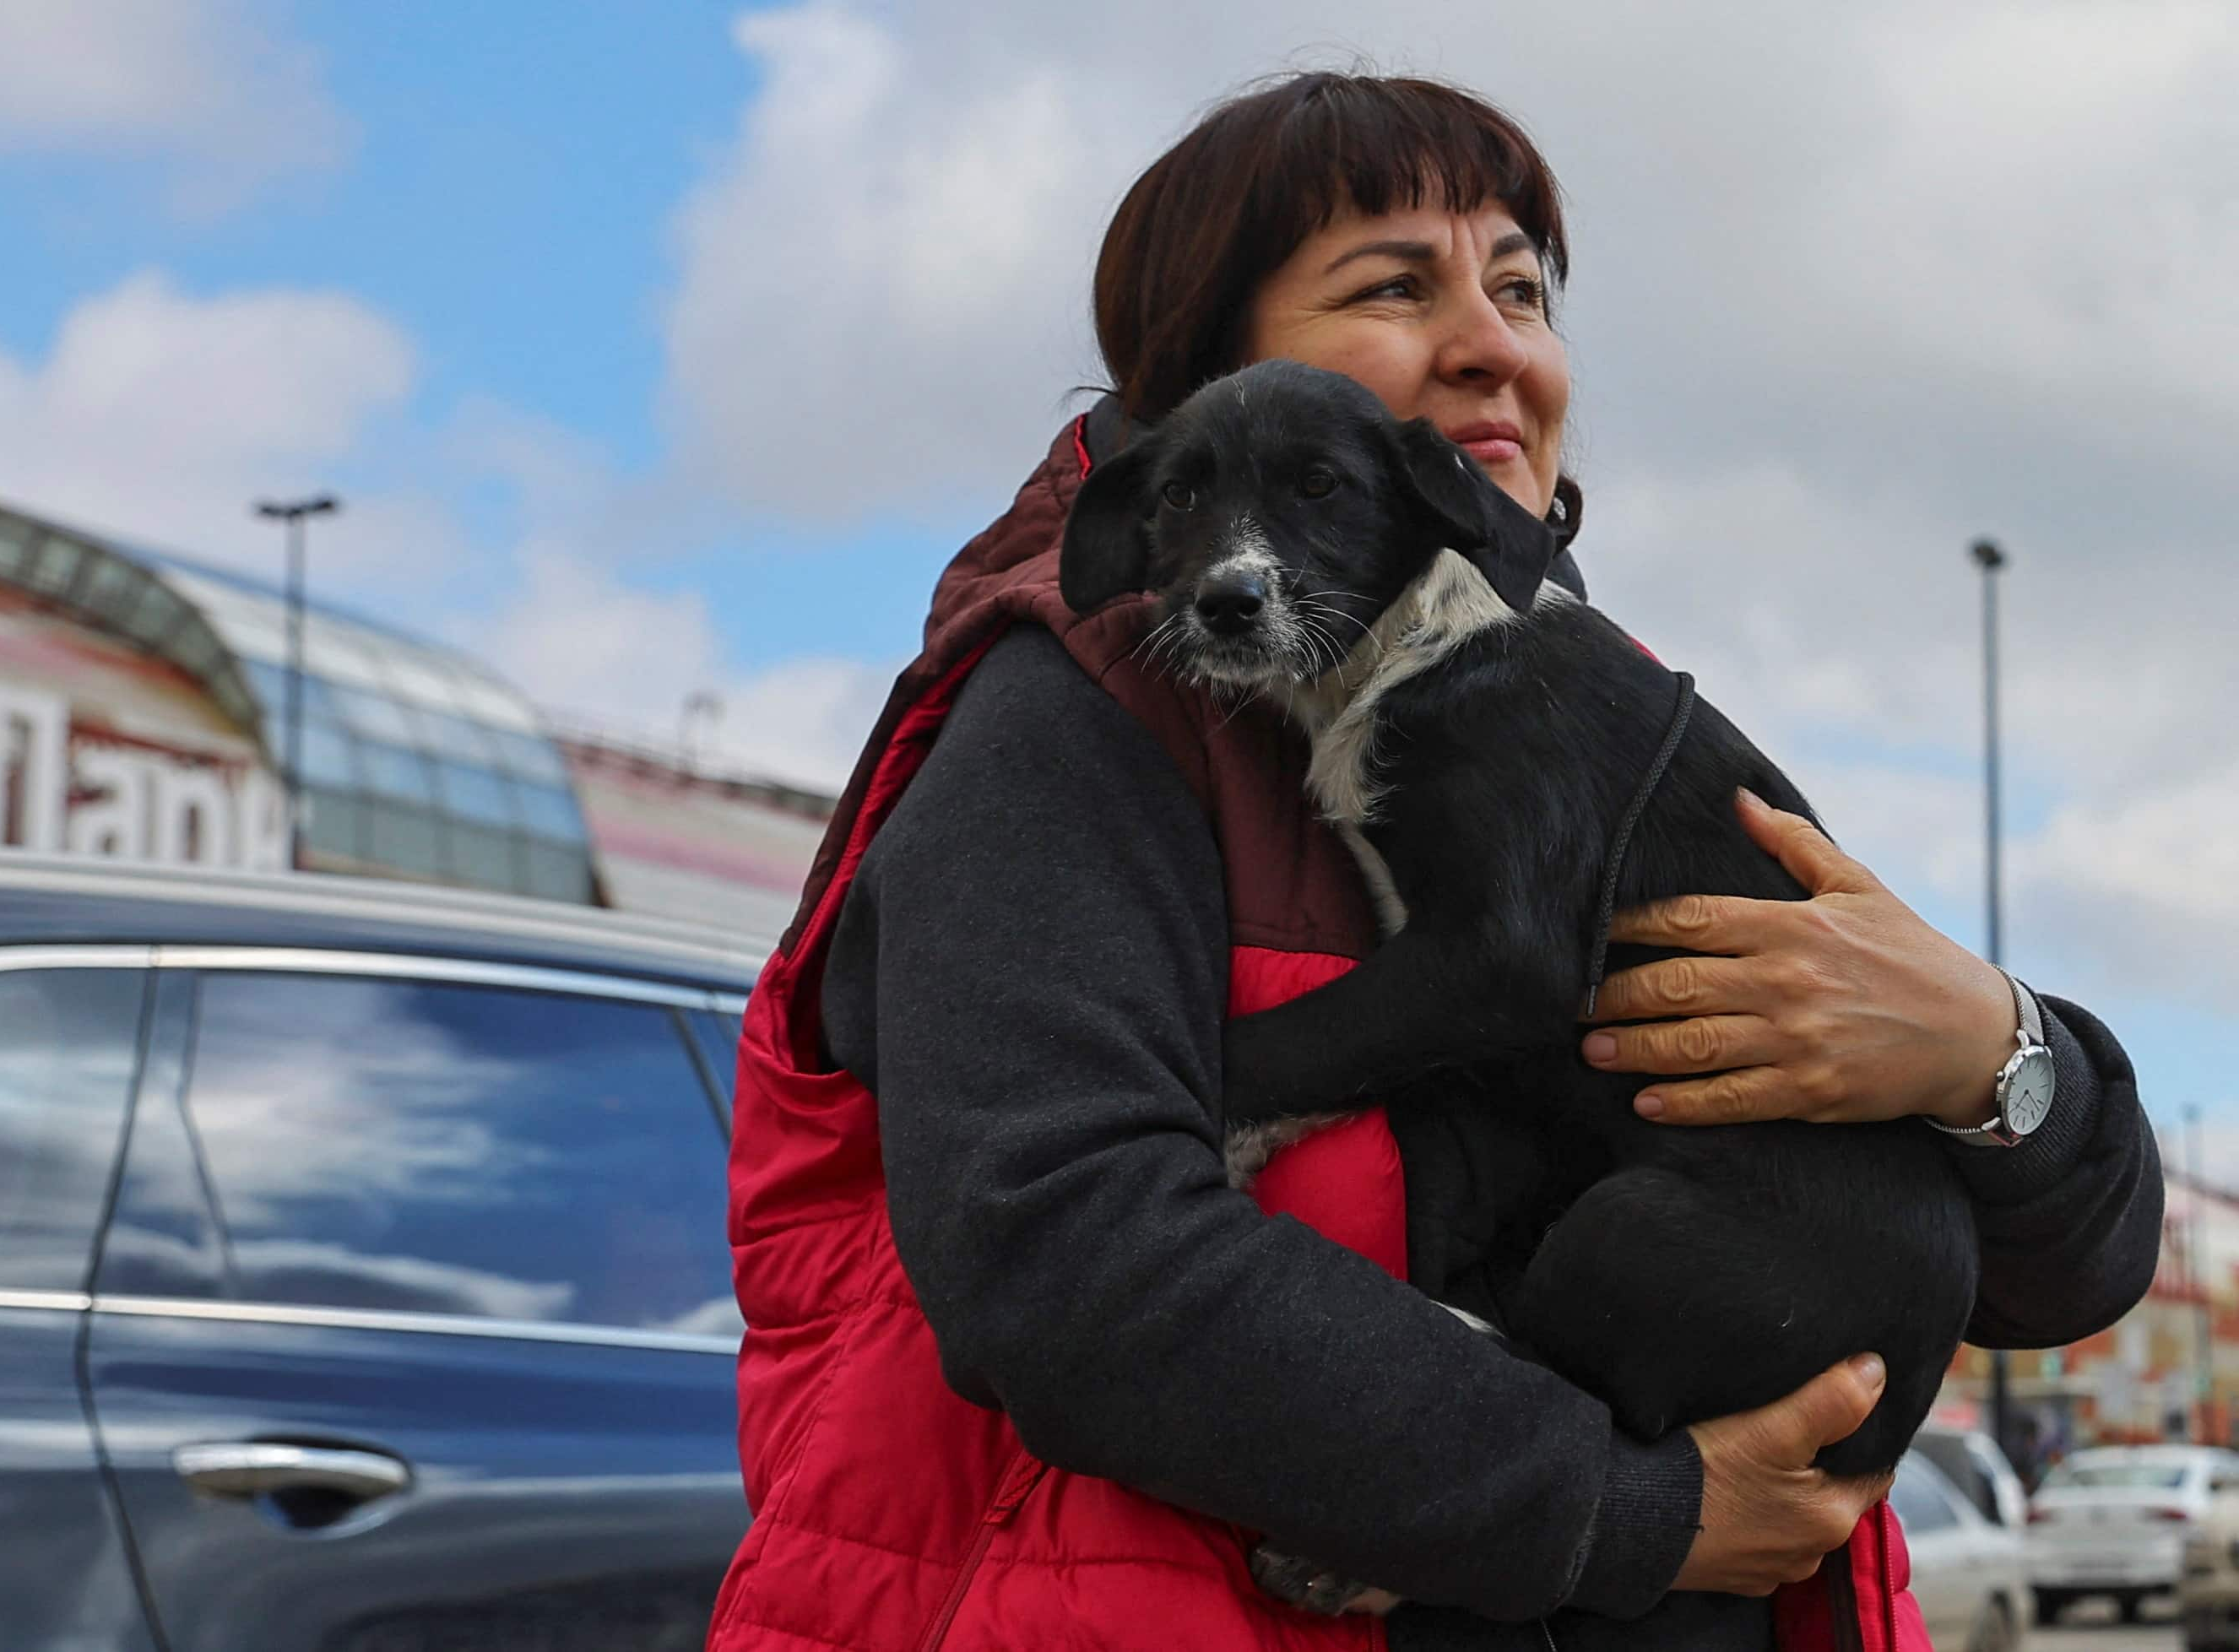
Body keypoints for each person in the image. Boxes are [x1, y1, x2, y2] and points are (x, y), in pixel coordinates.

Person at [705, 73, 2161, 1652]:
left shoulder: (1584, 708)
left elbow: (2058, 1280)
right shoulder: (1066, 728)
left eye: (1520, 286)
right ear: (1210, 380)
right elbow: (1062, 1251)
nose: (1496, 342)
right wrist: (1618, 1508)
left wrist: (1992, 1057)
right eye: (1394, 285)